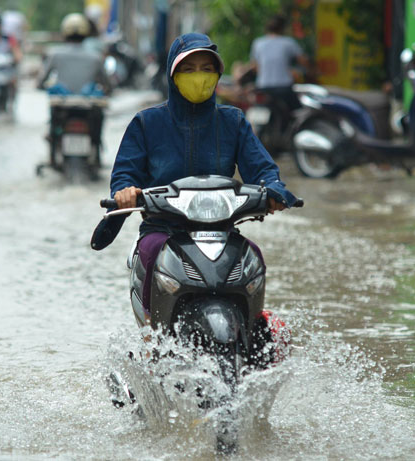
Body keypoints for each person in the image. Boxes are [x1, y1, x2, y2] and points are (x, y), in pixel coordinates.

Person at [104, 32, 300, 316]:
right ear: (173, 75)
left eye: (207, 69)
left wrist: (274, 191)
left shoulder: (233, 121)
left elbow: (262, 169)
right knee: (151, 251)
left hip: (221, 230)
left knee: (252, 254)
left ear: (218, 75)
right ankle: (153, 337)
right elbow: (124, 174)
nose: (199, 77)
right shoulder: (147, 123)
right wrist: (125, 192)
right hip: (162, 228)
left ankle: (254, 330)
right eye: (188, 69)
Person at [36, 13, 110, 163]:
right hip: (89, 109)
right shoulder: (95, 57)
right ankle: (97, 149)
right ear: (86, 33)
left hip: (62, 108)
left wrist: (42, 86)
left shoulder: (55, 54)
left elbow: (41, 80)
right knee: (99, 117)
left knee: (53, 119)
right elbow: (107, 84)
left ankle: (52, 144)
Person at [249, 14, 309, 129]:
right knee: (299, 112)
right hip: (283, 88)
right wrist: (309, 69)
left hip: (262, 87)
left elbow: (255, 67)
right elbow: (303, 61)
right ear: (283, 28)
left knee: (256, 111)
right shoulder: (288, 42)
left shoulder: (258, 43)